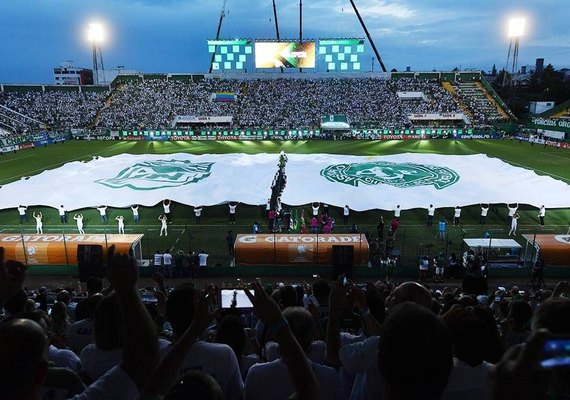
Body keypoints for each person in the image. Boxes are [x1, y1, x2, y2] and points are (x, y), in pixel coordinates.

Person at [0, 245, 160, 400]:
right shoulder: (70, 369)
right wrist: (127, 289)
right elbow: (144, 361)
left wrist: (4, 297)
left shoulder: (87, 352)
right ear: (42, 372)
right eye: (46, 337)